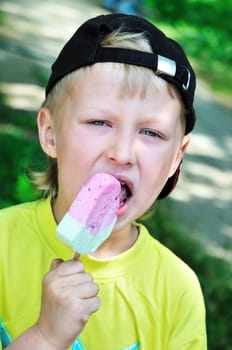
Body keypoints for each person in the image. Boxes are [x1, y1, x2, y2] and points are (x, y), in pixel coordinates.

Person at [0, 13, 207, 350]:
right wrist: (45, 338)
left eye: (151, 132)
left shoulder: (177, 290)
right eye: (99, 122)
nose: (123, 153)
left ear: (176, 158)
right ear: (51, 134)